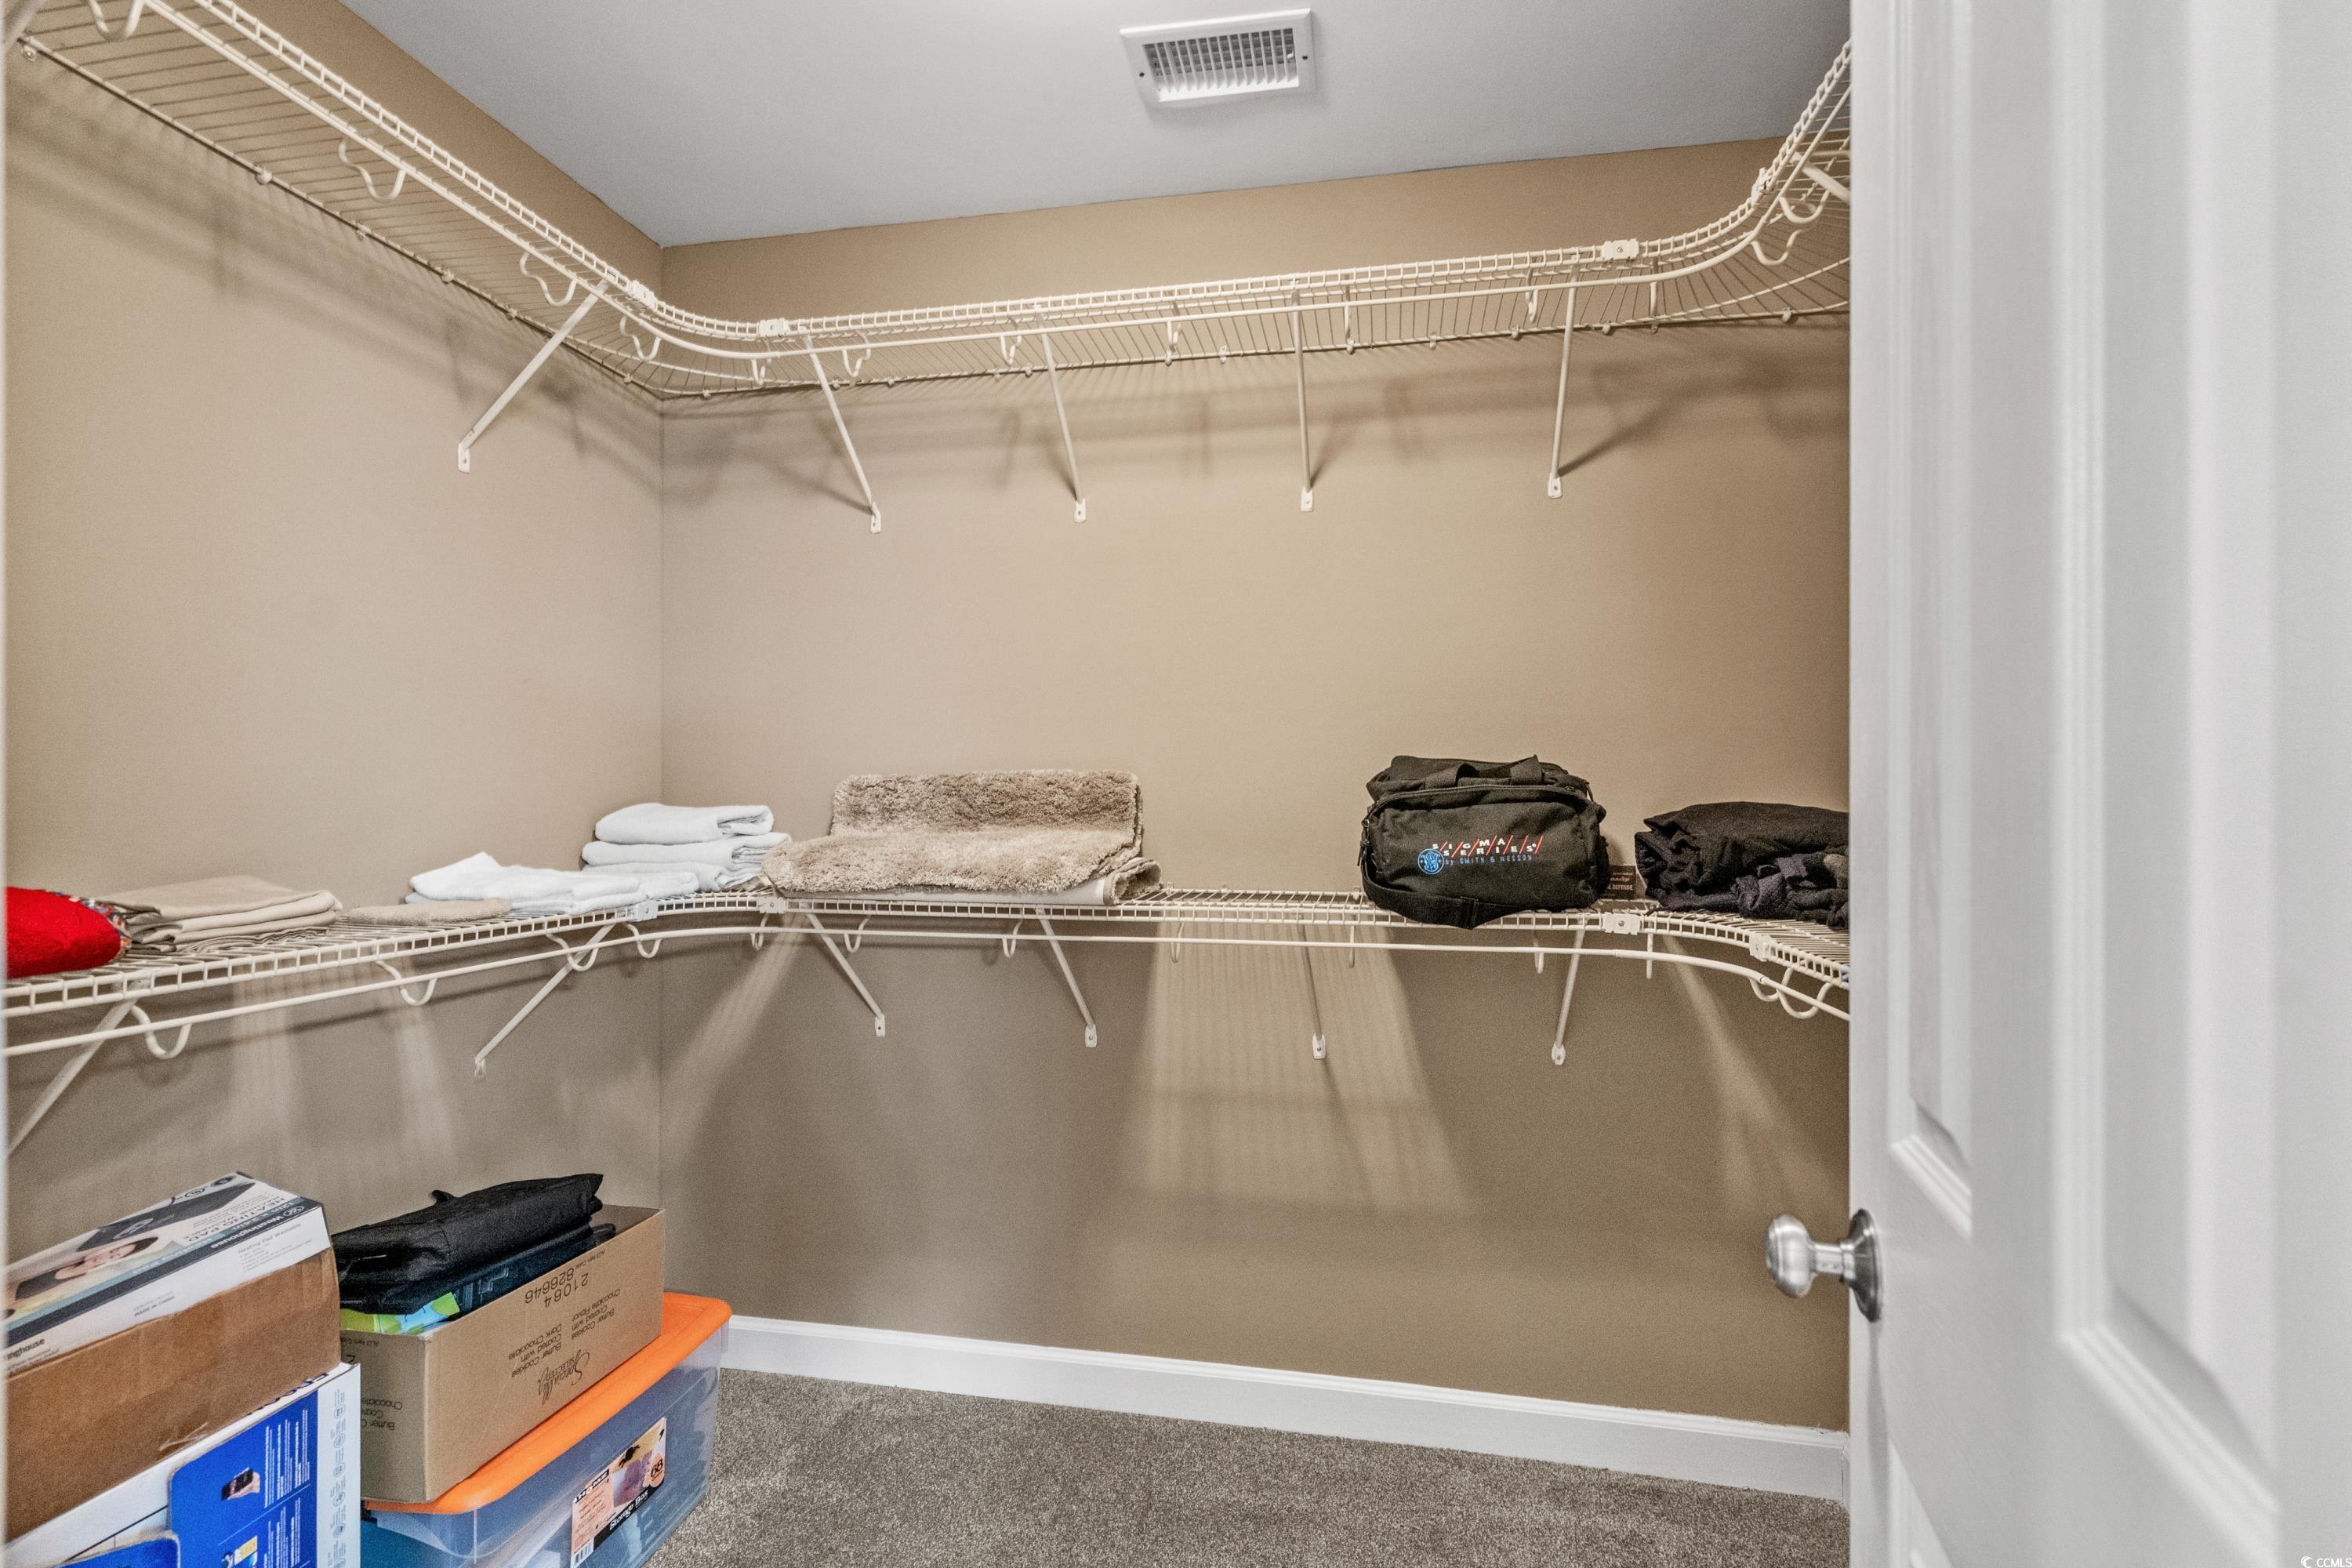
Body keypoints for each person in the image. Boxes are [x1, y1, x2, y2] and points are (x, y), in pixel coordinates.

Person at [6, 1236, 162, 1317]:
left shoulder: (82, 1270)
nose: (108, 1256)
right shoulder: (74, 1257)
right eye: (113, 1251)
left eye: (114, 1256)